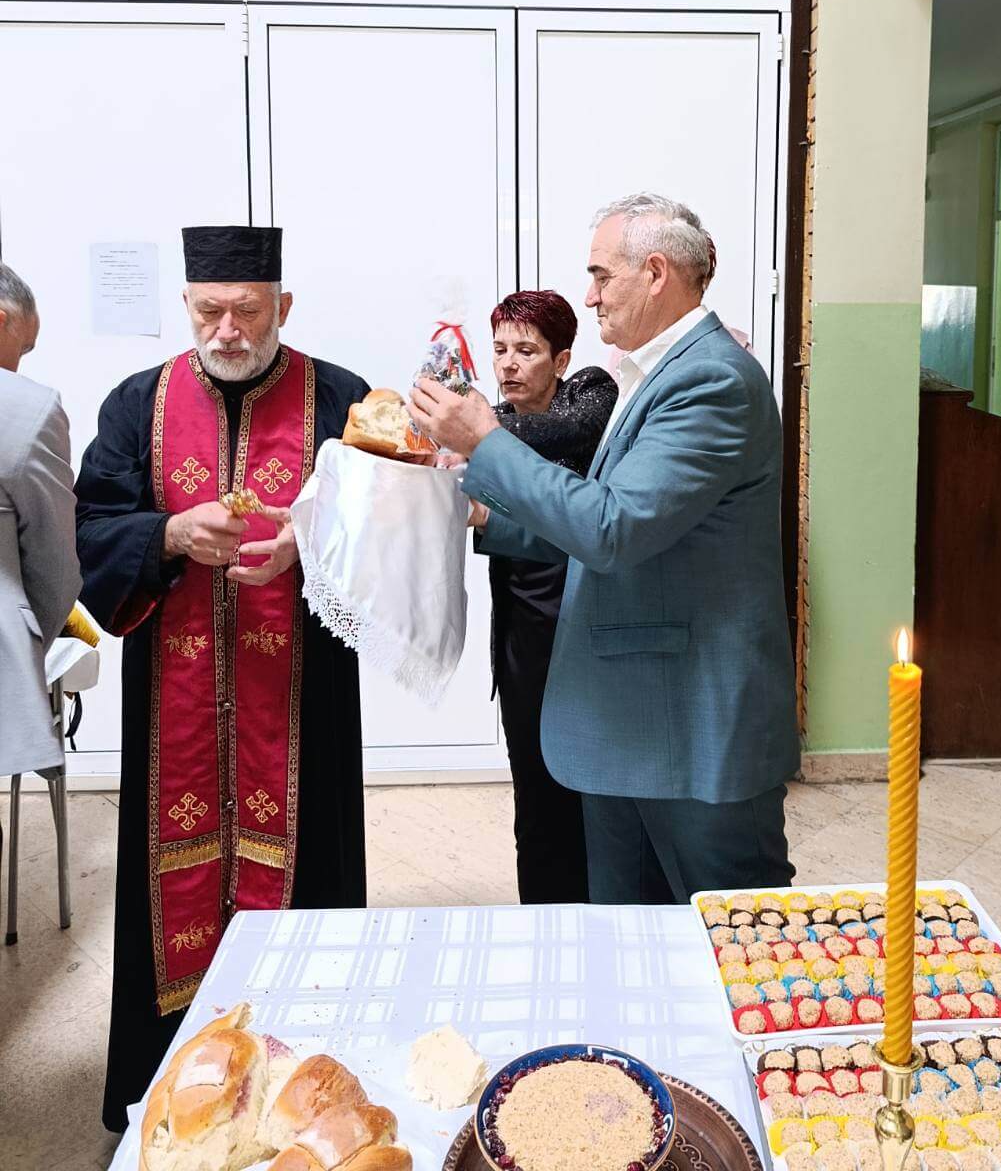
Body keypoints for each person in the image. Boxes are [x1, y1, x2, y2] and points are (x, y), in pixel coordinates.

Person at [410, 194, 799, 905]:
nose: (588, 296)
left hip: (691, 728)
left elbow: (613, 529)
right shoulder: (654, 372)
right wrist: (481, 515)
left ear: (655, 273)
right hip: (634, 723)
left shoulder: (710, 380)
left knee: (722, 936)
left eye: (600, 275)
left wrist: (486, 441)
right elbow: (609, 513)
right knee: (627, 935)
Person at [76, 227, 370, 1131]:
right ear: (187, 306)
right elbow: (93, 526)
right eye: (210, 311)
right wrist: (167, 534)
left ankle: (312, 1088)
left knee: (310, 872)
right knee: (172, 883)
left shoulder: (342, 400)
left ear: (283, 307)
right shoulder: (138, 404)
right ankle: (172, 1088)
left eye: (248, 310)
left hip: (302, 703)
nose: (228, 329)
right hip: (178, 704)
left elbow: (386, 529)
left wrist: (304, 546)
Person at [486, 290, 617, 904]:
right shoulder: (492, 421)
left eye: (526, 351)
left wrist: (479, 434)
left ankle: (600, 911)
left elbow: (569, 432)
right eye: (500, 350)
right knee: (534, 796)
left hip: (585, 624)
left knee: (589, 792)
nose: (509, 364)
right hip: (522, 633)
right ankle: (540, 916)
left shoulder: (589, 392)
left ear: (561, 359)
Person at [0, 263, 81, 781]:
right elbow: (56, 567)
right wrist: (29, 650)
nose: (19, 365)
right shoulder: (23, 408)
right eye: (23, 348)